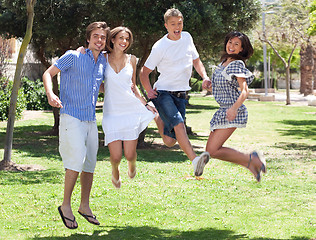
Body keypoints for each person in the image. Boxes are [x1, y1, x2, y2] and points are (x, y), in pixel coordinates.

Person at [42, 21, 109, 229]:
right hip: (71, 116)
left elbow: (98, 87)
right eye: (96, 36)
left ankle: (84, 206)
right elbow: (48, 73)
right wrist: (50, 93)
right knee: (76, 161)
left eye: (103, 37)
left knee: (89, 164)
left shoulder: (102, 63)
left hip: (90, 119)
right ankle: (65, 206)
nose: (99, 40)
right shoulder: (73, 55)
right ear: (88, 39)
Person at [140, 8, 210, 177]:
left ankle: (157, 116)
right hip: (163, 93)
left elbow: (196, 60)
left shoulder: (187, 37)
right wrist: (149, 91)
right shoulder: (160, 46)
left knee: (170, 141)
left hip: (181, 94)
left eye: (180, 23)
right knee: (179, 124)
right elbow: (144, 72)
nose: (177, 27)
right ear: (166, 26)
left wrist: (205, 77)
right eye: (173, 24)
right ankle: (195, 161)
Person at [202, 31, 266, 182]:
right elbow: (225, 87)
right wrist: (210, 86)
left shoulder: (236, 64)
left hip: (233, 110)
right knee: (211, 150)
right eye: (230, 42)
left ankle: (251, 158)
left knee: (212, 150)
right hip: (223, 109)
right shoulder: (224, 62)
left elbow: (244, 91)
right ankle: (250, 163)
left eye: (236, 44)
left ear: (241, 50)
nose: (231, 46)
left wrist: (234, 108)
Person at [101, 27, 156, 188]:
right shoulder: (102, 58)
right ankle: (114, 169)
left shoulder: (132, 59)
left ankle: (132, 164)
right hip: (112, 111)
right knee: (116, 156)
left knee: (130, 154)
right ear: (112, 39)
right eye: (121, 38)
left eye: (127, 39)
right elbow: (98, 82)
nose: (124, 42)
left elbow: (133, 85)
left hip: (130, 109)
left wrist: (144, 103)